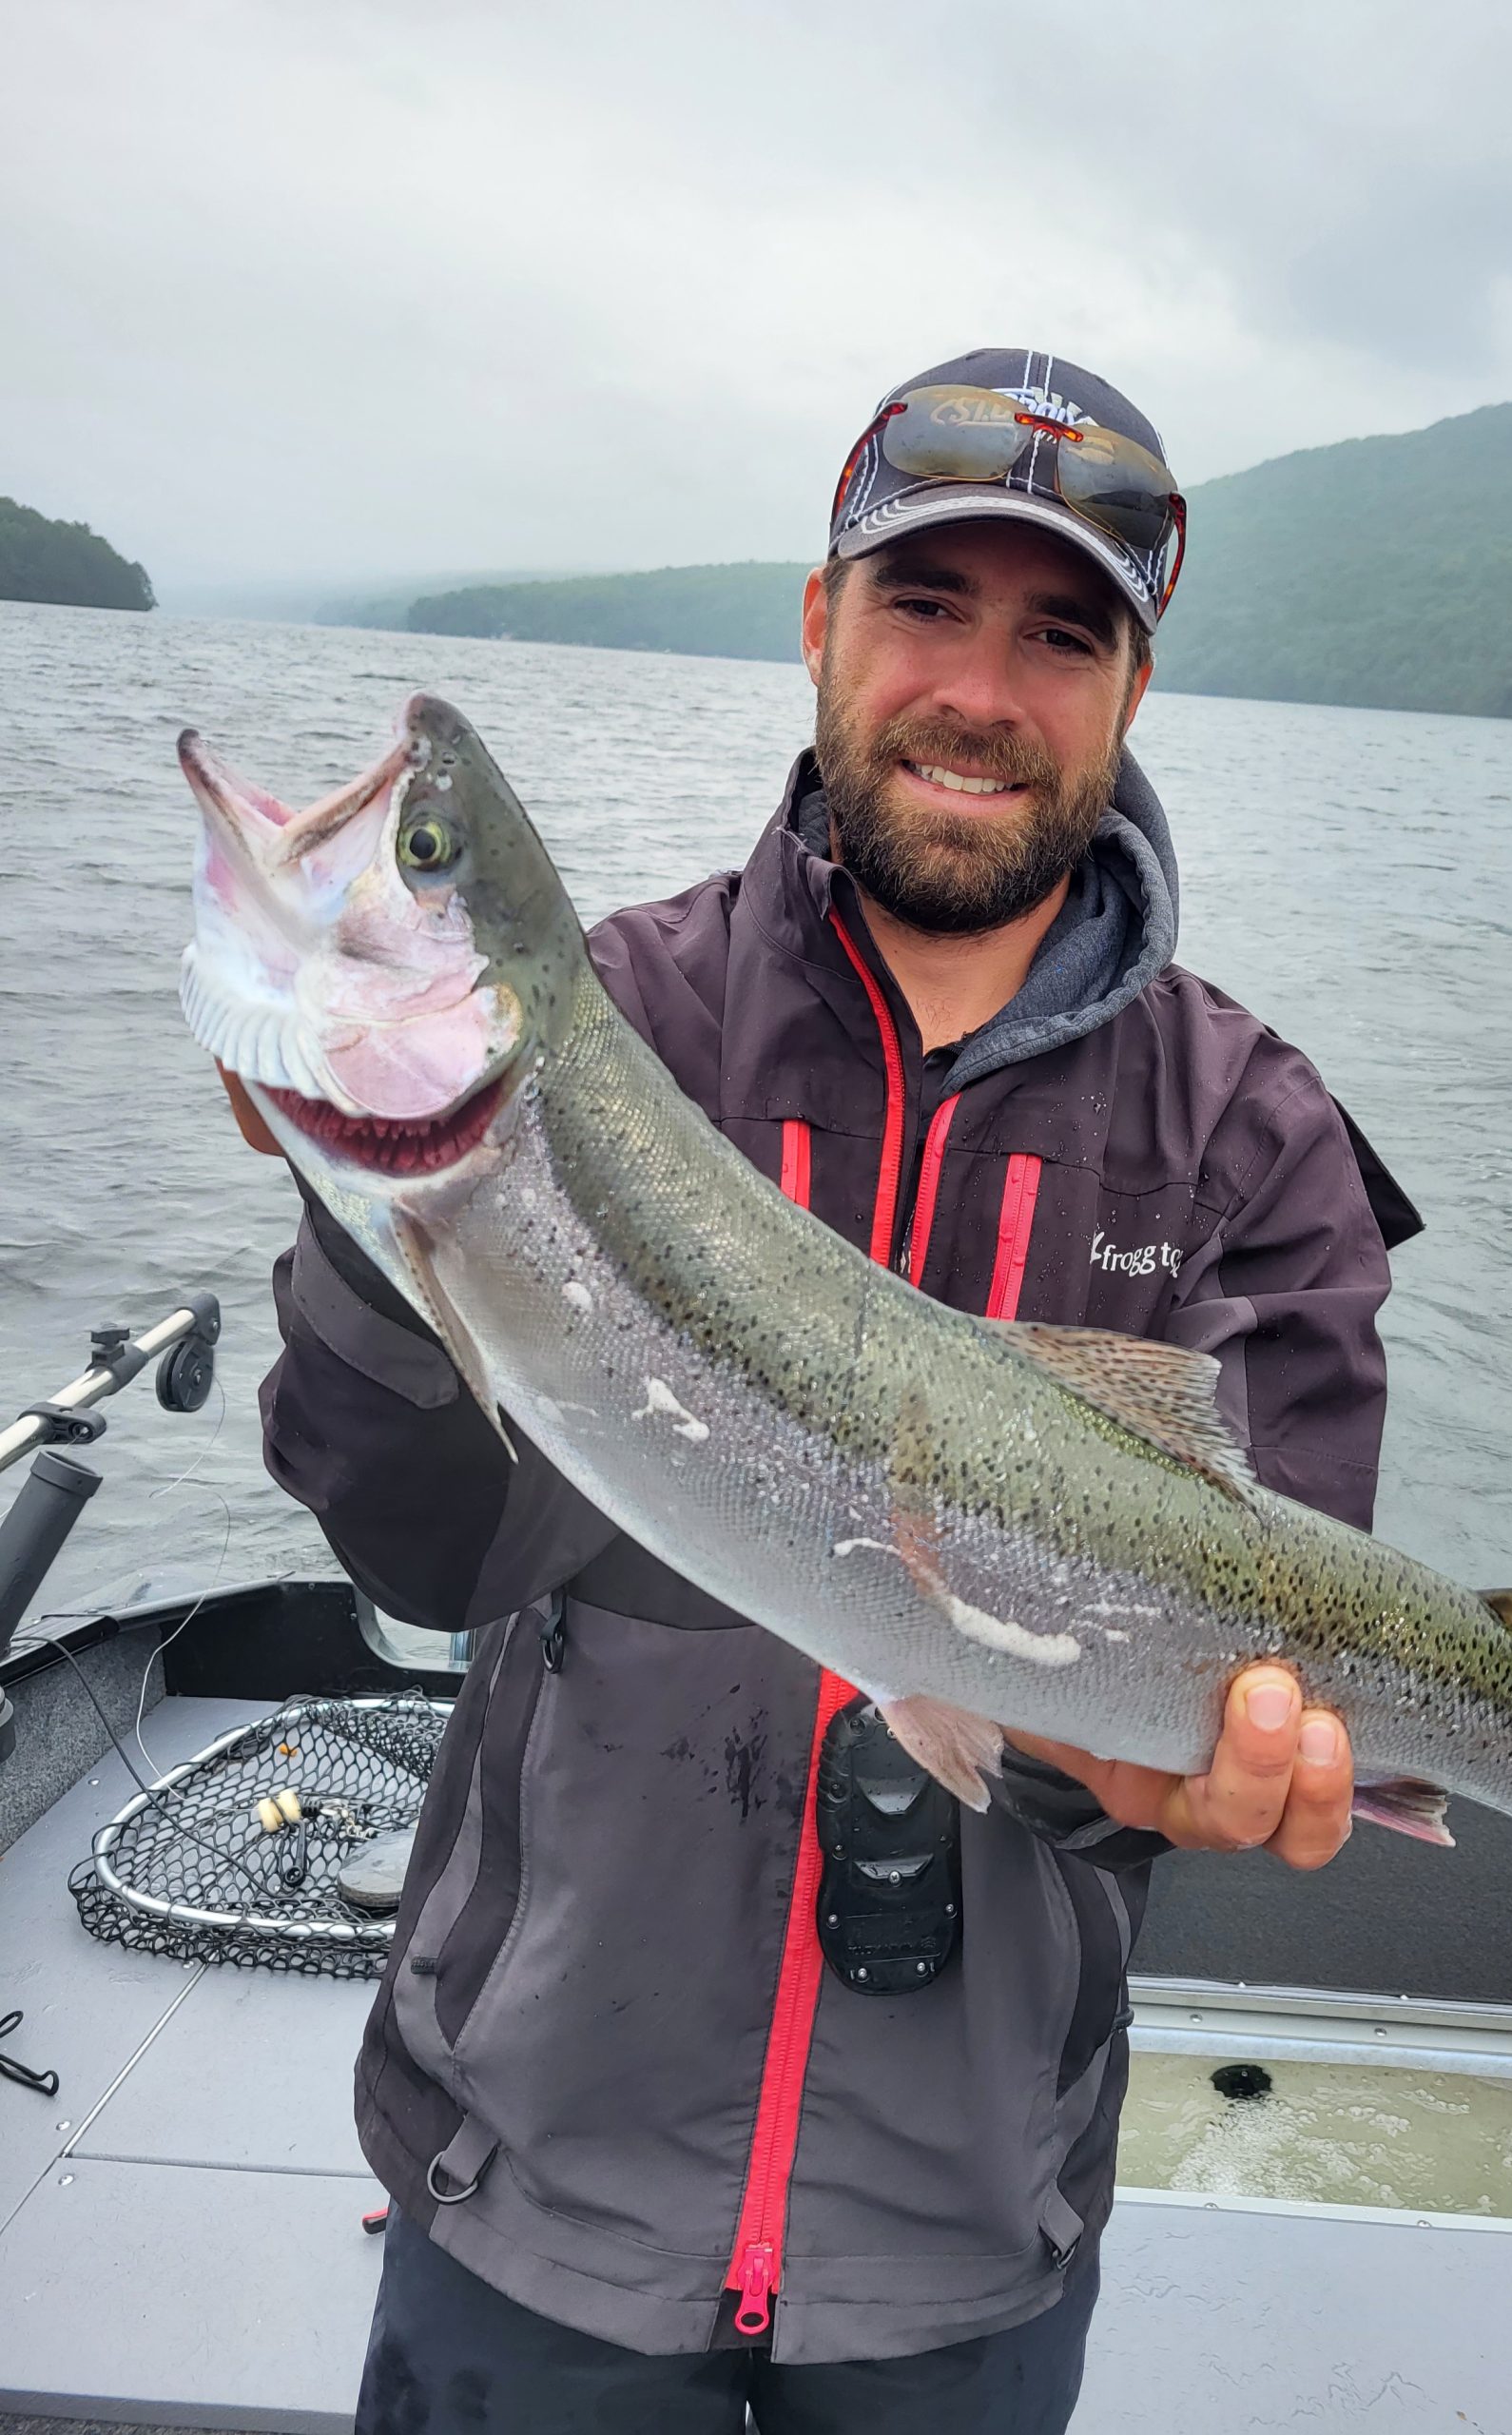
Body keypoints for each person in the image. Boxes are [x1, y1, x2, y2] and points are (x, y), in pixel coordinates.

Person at [226, 347, 1421, 2434]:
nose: (978, 689)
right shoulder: (622, 1018)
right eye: (923, 605)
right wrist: (386, 1222)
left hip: (963, 2232)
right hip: (534, 2173)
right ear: (817, 622)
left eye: (1058, 636)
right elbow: (415, 1549)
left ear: (1133, 689)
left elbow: (1257, 1645)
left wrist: (1118, 1769)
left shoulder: (1254, 1136)